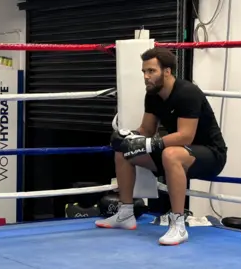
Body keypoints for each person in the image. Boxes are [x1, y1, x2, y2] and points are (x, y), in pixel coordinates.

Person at [95, 47, 227, 245]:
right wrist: (128, 136)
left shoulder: (187, 92)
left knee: (171, 154)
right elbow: (146, 130)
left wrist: (149, 143)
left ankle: (178, 225)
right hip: (179, 151)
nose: (146, 76)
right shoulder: (153, 94)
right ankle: (126, 214)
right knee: (124, 150)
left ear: (167, 71)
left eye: (151, 71)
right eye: (144, 72)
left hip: (211, 154)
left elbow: (186, 136)